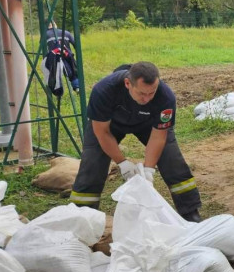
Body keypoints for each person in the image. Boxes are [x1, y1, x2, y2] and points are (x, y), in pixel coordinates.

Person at [70, 62, 202, 222]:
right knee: (92, 164)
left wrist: (149, 170)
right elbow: (101, 132)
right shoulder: (104, 90)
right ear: (128, 84)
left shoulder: (165, 97)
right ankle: (82, 215)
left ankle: (190, 212)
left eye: (151, 93)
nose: (147, 98)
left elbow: (159, 137)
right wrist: (122, 163)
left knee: (171, 159)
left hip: (148, 123)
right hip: (110, 125)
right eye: (141, 93)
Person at [42, 21, 79, 94]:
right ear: (55, 24)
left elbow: (43, 48)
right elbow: (76, 45)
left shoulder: (45, 35)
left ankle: (57, 92)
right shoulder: (66, 33)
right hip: (68, 57)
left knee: (55, 76)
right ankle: (77, 87)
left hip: (54, 59)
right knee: (73, 73)